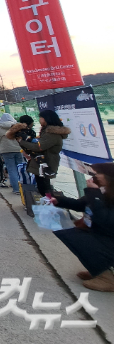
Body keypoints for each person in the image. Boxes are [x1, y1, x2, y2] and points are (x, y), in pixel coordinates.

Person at [50, 163, 114, 292]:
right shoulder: (102, 190)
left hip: (109, 237)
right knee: (66, 231)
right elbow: (81, 204)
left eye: (96, 174)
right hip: (103, 235)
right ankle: (99, 269)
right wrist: (59, 201)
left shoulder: (99, 193)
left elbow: (104, 220)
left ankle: (107, 278)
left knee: (75, 236)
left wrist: (93, 192)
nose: (93, 177)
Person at [17, 110, 71, 196]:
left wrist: (21, 141)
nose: (39, 120)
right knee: (42, 185)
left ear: (46, 119)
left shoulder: (52, 134)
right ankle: (48, 203)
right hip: (42, 162)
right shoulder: (46, 131)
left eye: (41, 118)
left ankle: (51, 204)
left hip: (46, 163)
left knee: (44, 187)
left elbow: (39, 147)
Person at [0, 114, 23, 194]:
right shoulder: (16, 126)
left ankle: (16, 189)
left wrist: (1, 144)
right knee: (21, 168)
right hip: (18, 149)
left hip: (6, 150)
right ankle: (24, 187)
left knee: (11, 169)